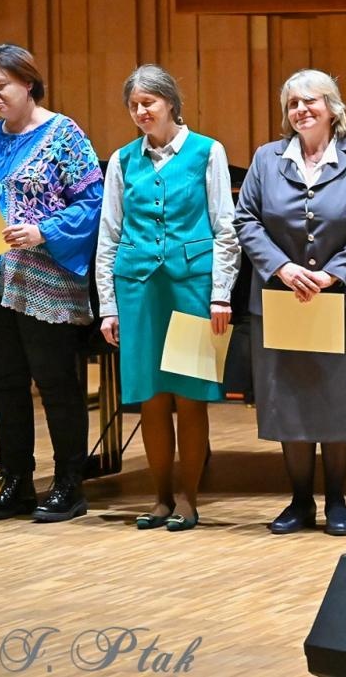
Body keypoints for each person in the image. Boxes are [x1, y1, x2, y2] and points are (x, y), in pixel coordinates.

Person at [0, 43, 103, 522]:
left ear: (28, 83)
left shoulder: (65, 135)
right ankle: (15, 480)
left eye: (1, 86)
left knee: (55, 383)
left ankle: (68, 483)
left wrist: (43, 231)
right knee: (7, 383)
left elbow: (92, 205)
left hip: (44, 283)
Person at [235, 69, 346, 536]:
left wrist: (331, 273)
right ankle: (300, 500)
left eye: (311, 101)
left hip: (344, 302)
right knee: (293, 403)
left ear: (332, 108)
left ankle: (338, 500)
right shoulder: (266, 160)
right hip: (284, 300)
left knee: (338, 401)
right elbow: (247, 221)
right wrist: (282, 268)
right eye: (293, 104)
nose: (301, 110)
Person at [96, 65, 241, 532]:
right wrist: (109, 305)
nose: (141, 112)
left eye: (148, 103)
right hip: (138, 290)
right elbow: (109, 236)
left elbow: (225, 228)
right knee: (152, 398)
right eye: (134, 106)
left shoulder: (207, 151)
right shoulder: (121, 160)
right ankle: (159, 498)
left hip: (192, 286)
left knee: (190, 396)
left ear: (170, 103)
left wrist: (220, 295)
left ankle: (189, 500)